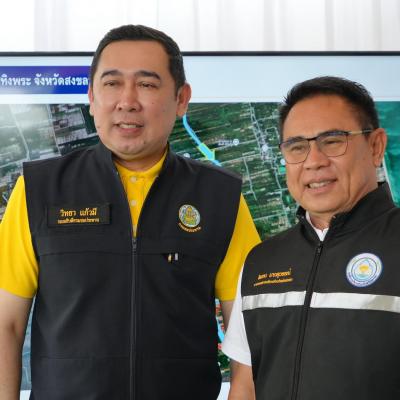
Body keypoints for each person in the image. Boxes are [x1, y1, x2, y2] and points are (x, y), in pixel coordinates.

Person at [0, 25, 260, 399]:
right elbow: (6, 325)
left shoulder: (221, 197)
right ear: (91, 97)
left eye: (147, 84)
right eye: (112, 84)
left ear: (182, 99)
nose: (127, 101)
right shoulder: (39, 190)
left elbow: (248, 332)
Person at [222, 76, 399, 400]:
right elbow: (245, 386)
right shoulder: (261, 262)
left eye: (332, 141)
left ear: (375, 146)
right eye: (297, 147)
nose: (314, 161)